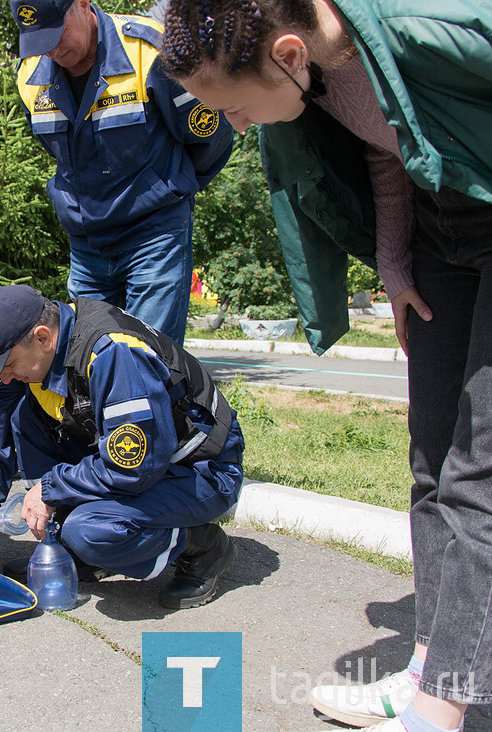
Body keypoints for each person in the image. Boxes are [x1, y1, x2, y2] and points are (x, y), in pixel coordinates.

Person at [159, 0, 492, 729]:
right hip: (443, 234)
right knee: (434, 466)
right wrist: (396, 267)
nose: (239, 128)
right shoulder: (324, 71)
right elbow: (388, 143)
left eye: (237, 107)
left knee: (480, 475)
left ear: (285, 54)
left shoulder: (434, 28)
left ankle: (440, 712)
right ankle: (429, 672)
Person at [0, 285, 244, 609]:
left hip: (201, 470)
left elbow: (134, 465)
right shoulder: (42, 356)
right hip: (144, 464)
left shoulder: (112, 352)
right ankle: (74, 550)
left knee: (92, 530)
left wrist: (50, 489)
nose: (4, 378)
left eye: (7, 364)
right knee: (22, 415)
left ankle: (201, 546)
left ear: (43, 337)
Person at [9, 0, 234, 344]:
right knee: (90, 362)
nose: (52, 49)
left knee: (150, 362)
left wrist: (167, 190)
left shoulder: (150, 51)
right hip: (87, 247)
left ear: (82, 4)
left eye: (58, 32)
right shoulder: (30, 75)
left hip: (153, 238)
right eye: (40, 40)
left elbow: (208, 136)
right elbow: (55, 151)